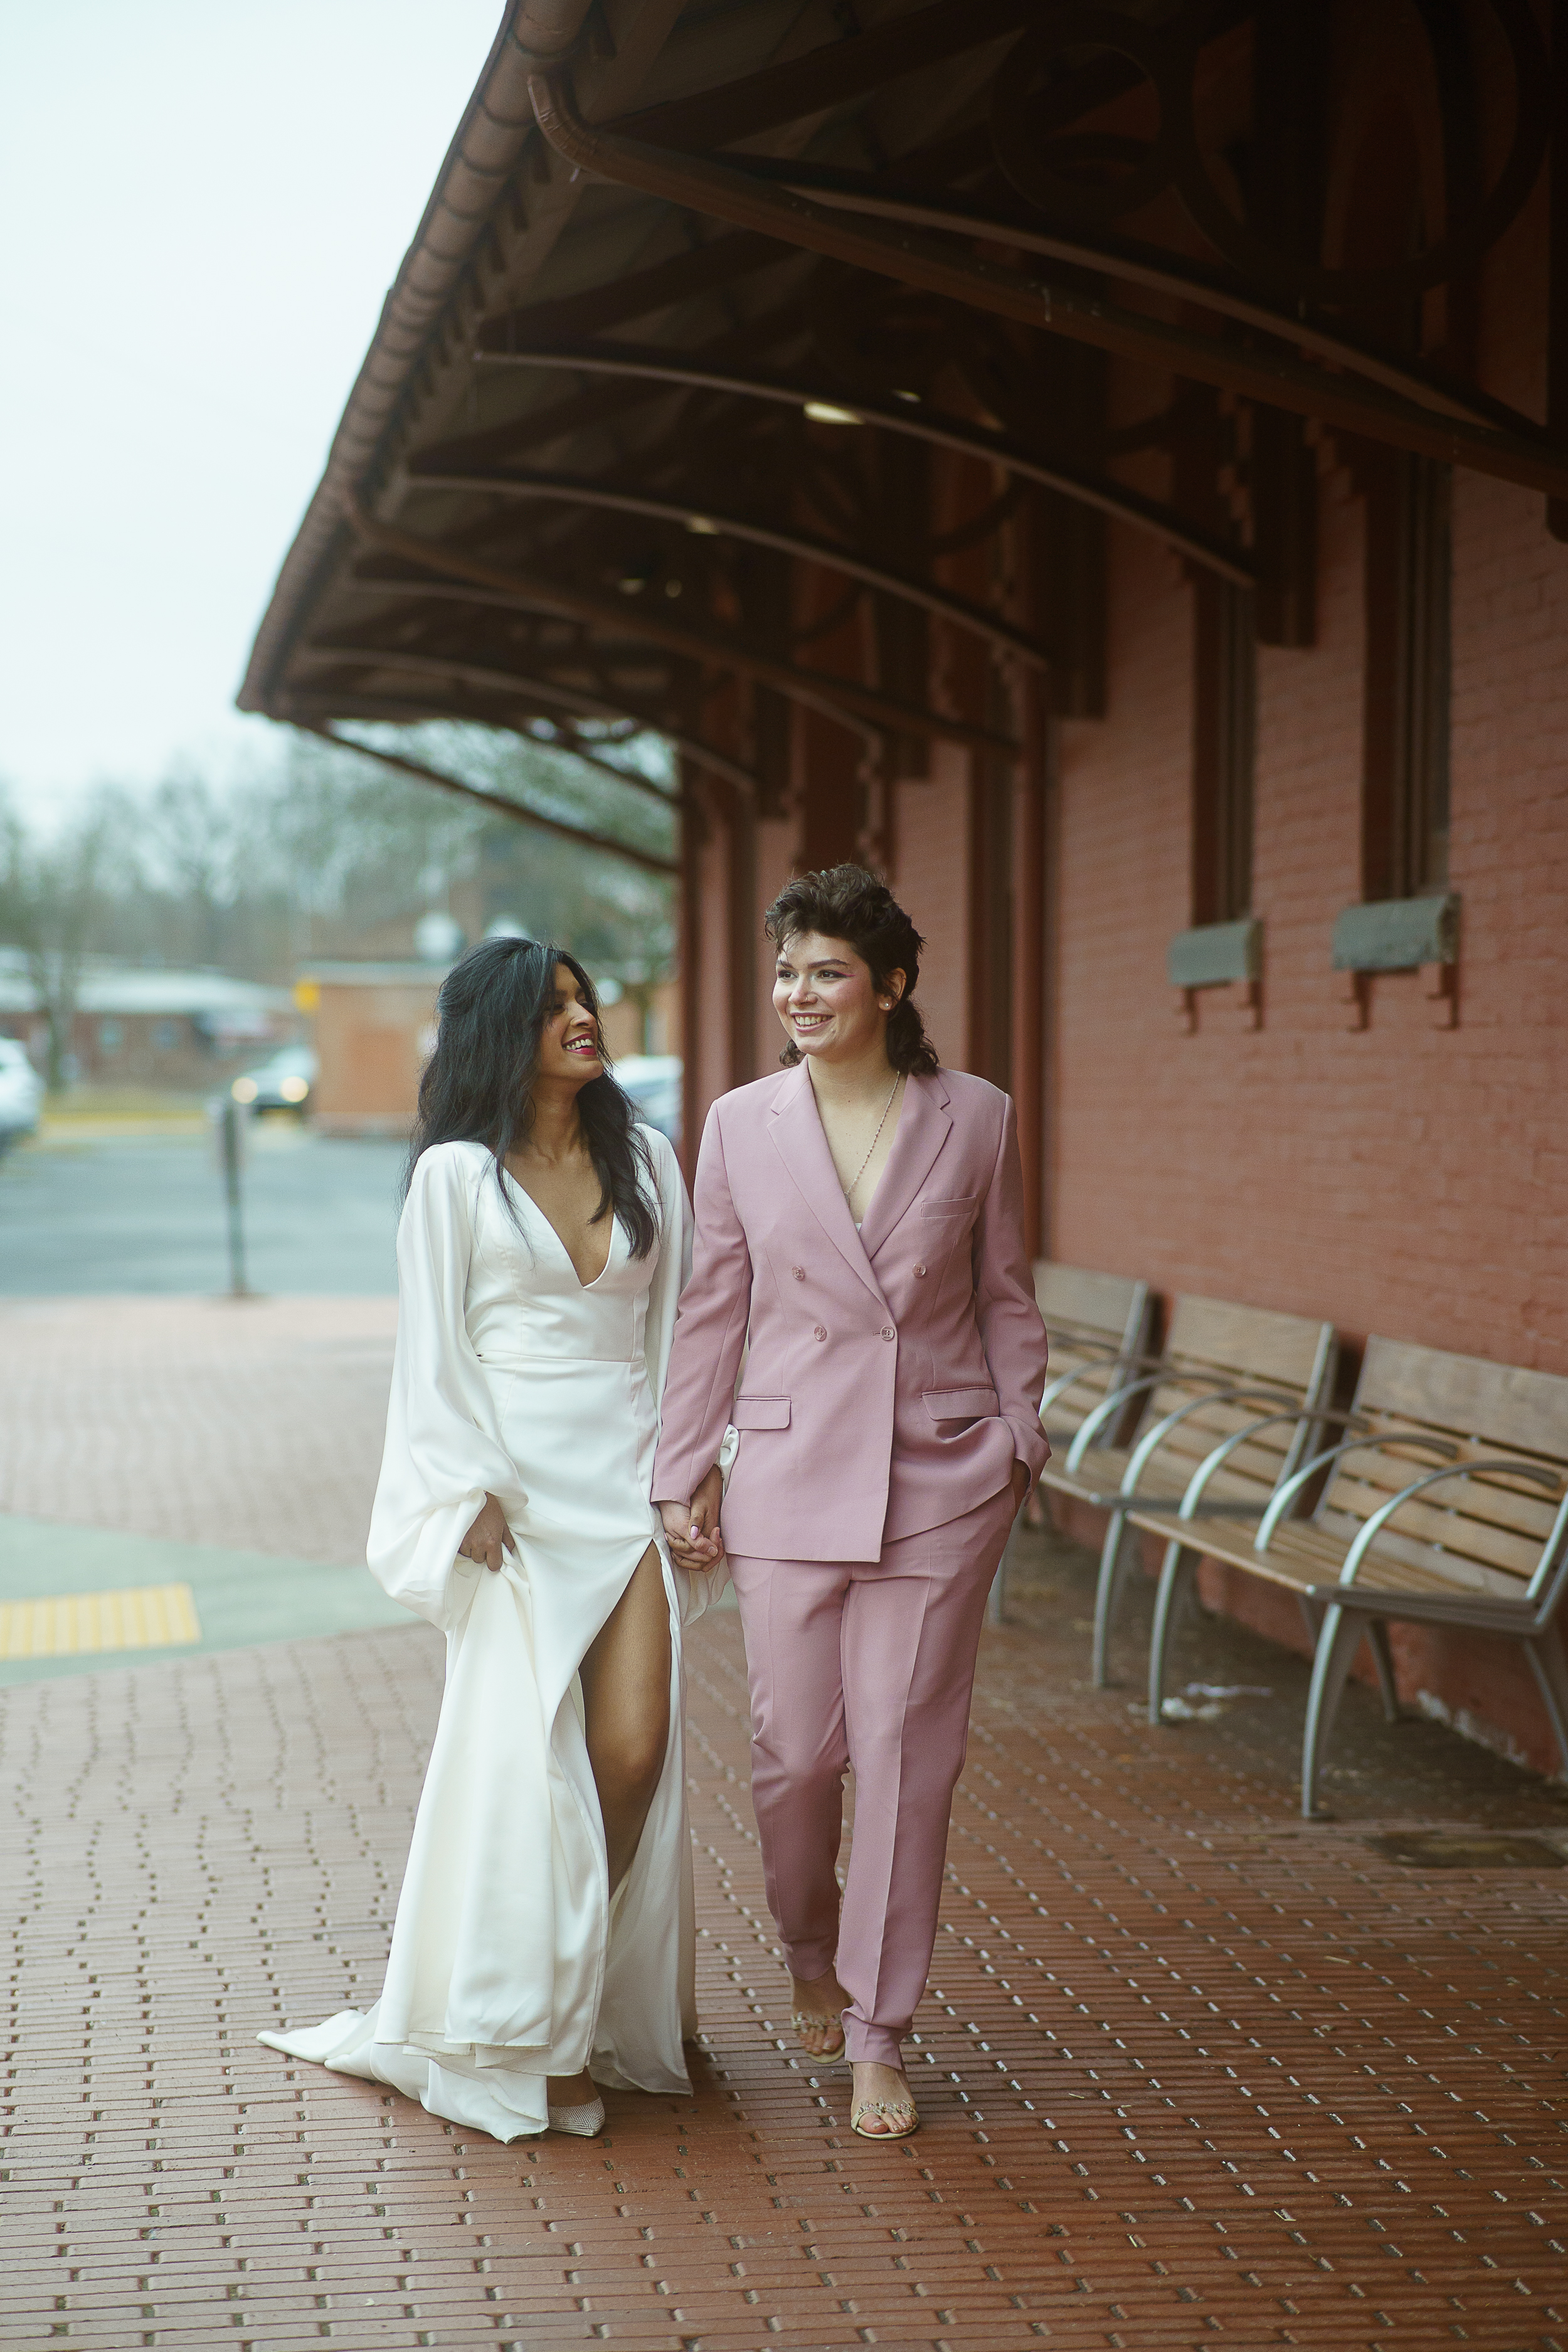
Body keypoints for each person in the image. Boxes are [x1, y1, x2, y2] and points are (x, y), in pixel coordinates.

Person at [258, 938, 721, 2143]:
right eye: (552, 1004)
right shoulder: (455, 1178)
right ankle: (535, 2027)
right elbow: (432, 1354)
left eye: (585, 996)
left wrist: (692, 1472)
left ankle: (586, 1997)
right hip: (513, 1504)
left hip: (622, 1487)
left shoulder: (653, 1161)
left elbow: (681, 1336)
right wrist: (462, 1486)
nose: (581, 1016)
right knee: (529, 1774)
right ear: (497, 1030)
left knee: (631, 1755)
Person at [656, 865, 1049, 2141]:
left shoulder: (973, 1117)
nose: (798, 993)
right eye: (786, 972)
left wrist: (1018, 1434)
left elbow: (1002, 1293)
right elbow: (713, 1305)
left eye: (825, 970)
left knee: (903, 1759)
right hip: (783, 1475)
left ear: (887, 983)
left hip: (940, 1478)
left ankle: (879, 2031)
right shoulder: (739, 1124)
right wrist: (680, 1469)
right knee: (794, 1757)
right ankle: (807, 1938)